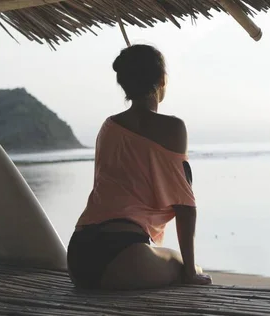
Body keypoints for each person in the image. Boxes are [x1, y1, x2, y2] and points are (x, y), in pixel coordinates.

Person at [66, 44, 212, 290]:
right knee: (186, 267)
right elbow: (185, 208)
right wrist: (190, 272)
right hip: (125, 255)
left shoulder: (108, 127)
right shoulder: (174, 128)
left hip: (78, 255)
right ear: (162, 80)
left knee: (157, 259)